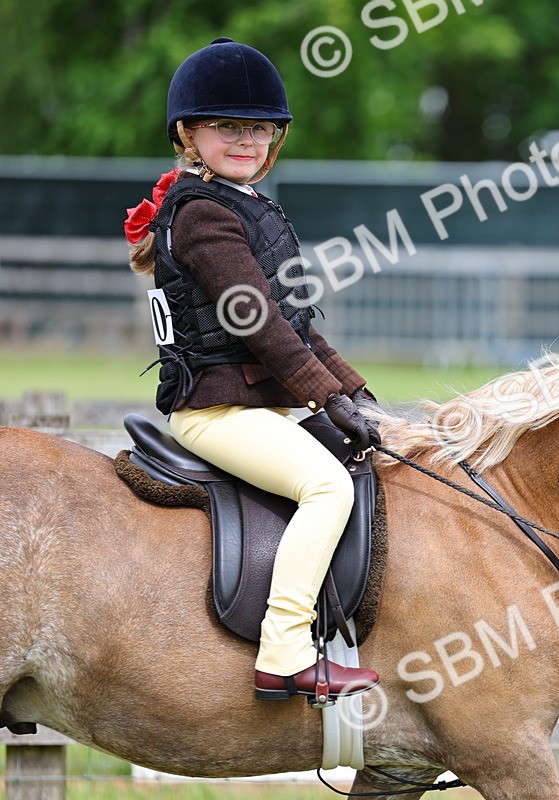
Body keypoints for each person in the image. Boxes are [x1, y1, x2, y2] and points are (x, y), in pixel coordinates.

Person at [123, 38, 381, 703]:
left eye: (259, 128)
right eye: (228, 128)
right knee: (328, 487)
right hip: (215, 413)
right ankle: (287, 652)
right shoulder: (205, 212)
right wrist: (327, 400)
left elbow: (297, 327)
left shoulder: (244, 204)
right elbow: (258, 325)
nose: (247, 140)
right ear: (188, 134)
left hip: (255, 407)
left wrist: (354, 393)